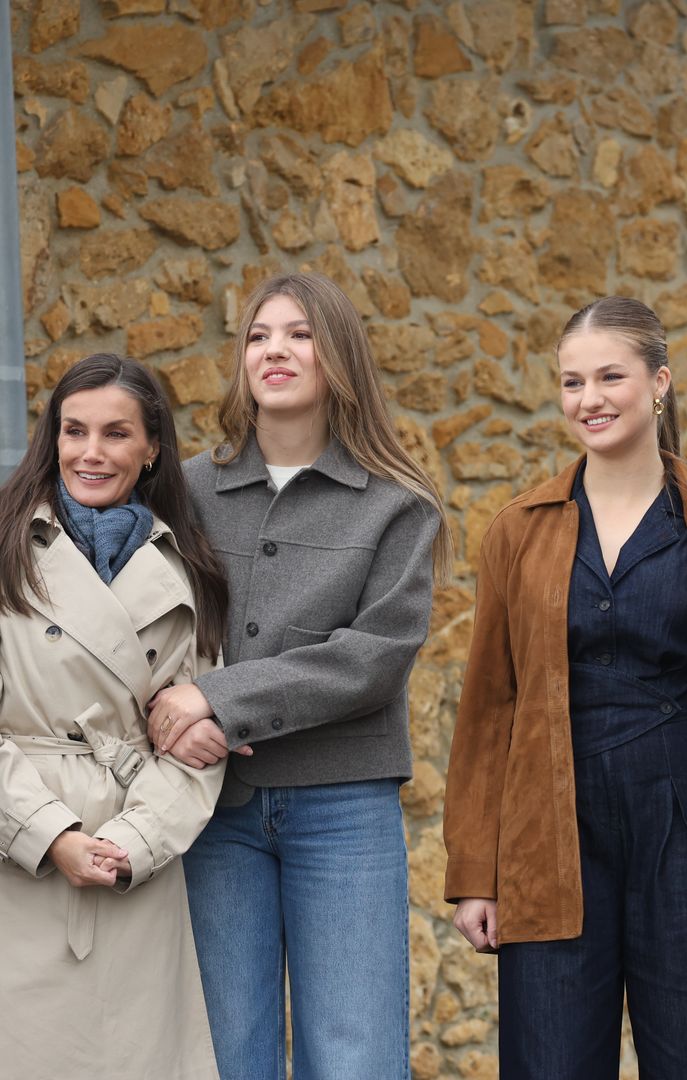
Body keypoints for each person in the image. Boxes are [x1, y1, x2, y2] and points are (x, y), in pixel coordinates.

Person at [443, 296, 687, 1079]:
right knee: (550, 1057)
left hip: (686, 821)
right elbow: (488, 707)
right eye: (572, 383)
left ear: (660, 382)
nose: (589, 399)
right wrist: (477, 870)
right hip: (547, 827)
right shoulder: (520, 528)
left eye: (610, 376)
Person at [147, 272, 451, 1080]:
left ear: (338, 357)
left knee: (353, 1057)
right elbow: (144, 626)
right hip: (212, 809)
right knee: (224, 1052)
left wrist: (216, 700)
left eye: (298, 334)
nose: (274, 350)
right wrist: (172, 712)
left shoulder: (398, 505)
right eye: (257, 335)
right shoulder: (184, 489)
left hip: (343, 810)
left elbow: (374, 657)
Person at [0, 354, 228, 1079]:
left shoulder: (186, 563)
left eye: (116, 433)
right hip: (23, 858)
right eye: (74, 431)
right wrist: (52, 835)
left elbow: (202, 742)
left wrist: (132, 843)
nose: (91, 453)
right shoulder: (7, 549)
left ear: (152, 447)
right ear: (53, 438)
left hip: (137, 861)